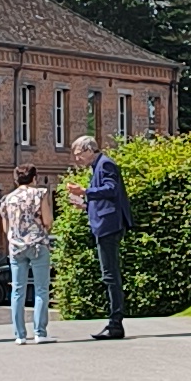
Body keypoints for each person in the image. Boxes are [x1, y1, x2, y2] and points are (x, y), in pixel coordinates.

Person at [79, 127, 132, 338]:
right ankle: (114, 321)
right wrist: (84, 204)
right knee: (108, 274)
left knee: (110, 275)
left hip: (109, 226)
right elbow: (104, 198)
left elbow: (111, 190)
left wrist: (85, 191)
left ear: (88, 149)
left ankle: (115, 323)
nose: (77, 158)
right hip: (104, 225)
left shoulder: (105, 164)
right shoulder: (98, 167)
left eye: (78, 153)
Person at [2, 163, 54, 344]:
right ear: (34, 178)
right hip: (37, 244)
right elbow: (47, 220)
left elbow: (5, 228)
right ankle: (40, 333)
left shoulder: (7, 199)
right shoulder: (40, 193)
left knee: (17, 290)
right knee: (41, 289)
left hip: (16, 247)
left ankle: (20, 335)